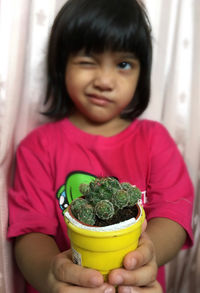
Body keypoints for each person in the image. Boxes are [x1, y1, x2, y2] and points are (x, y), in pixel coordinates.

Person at [7, 0, 194, 292]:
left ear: (141, 74)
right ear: (61, 63)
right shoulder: (38, 147)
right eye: (87, 60)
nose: (105, 81)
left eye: (123, 64)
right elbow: (30, 233)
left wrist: (142, 257)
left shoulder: (155, 140)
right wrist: (52, 276)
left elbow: (174, 216)